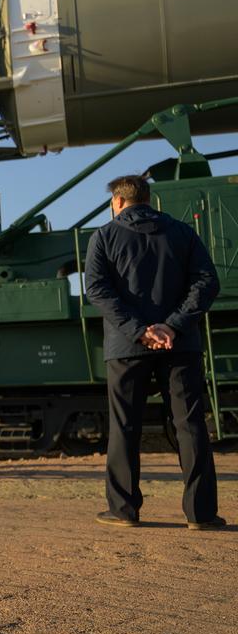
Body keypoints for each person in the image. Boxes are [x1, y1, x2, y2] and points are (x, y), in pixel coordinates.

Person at [83, 174, 225, 530]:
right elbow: (207, 281)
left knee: (124, 426)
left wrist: (138, 331)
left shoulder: (104, 236)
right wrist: (173, 325)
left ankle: (123, 510)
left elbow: (97, 290)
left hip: (125, 347)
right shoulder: (181, 232)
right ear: (149, 199)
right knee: (190, 425)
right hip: (180, 345)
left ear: (117, 202)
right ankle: (201, 515)